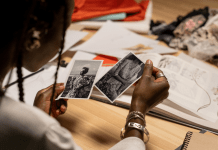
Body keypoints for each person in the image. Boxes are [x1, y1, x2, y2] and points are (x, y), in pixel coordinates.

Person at [0, 0, 169, 150]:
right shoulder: (41, 131)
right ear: (33, 39)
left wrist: (36, 117)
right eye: (65, 31)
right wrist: (137, 114)